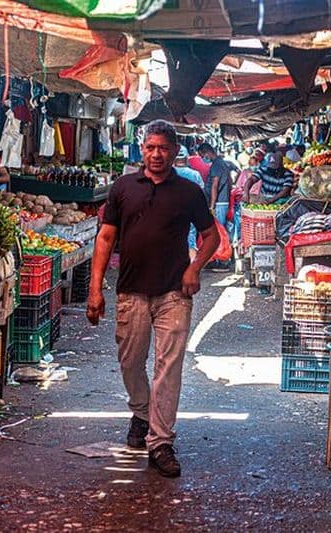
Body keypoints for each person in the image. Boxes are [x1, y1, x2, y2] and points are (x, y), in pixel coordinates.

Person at [86, 120, 219, 477]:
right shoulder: (123, 187)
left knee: (168, 367)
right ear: (142, 149)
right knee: (130, 362)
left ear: (175, 151)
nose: (156, 154)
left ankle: (160, 441)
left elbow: (212, 237)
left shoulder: (188, 191)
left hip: (174, 293)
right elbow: (105, 238)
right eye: (150, 147)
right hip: (131, 292)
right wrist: (95, 289)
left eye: (163, 148)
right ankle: (142, 412)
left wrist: (194, 269)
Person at [197, 143, 238, 234]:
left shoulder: (216, 165)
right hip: (222, 200)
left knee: (218, 231)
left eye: (202, 155)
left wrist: (212, 206)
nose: (202, 158)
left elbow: (214, 185)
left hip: (219, 203)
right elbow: (230, 180)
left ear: (207, 153)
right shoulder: (221, 162)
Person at [174, 146, 205, 260]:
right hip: (191, 211)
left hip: (172, 212)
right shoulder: (195, 174)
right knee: (190, 240)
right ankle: (192, 268)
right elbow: (201, 193)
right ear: (186, 158)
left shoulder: (169, 173)